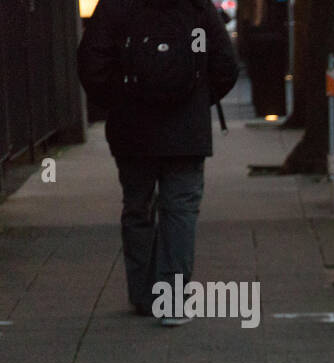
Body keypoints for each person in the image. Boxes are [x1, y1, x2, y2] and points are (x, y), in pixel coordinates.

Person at [78, 0, 239, 326]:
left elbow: (91, 64)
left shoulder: (115, 6)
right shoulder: (197, 7)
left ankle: (142, 294)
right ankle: (173, 300)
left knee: (137, 207)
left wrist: (119, 102)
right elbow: (226, 65)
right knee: (179, 209)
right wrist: (195, 101)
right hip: (186, 131)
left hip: (132, 130)